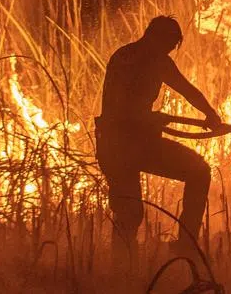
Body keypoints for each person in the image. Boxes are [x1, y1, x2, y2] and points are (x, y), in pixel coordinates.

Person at [95, 16, 222, 256]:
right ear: (153, 36)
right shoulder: (126, 59)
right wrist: (149, 117)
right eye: (169, 44)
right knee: (130, 212)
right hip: (117, 145)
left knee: (199, 171)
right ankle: (120, 269)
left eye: (173, 46)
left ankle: (185, 245)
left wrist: (210, 114)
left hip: (141, 142)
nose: (170, 50)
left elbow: (186, 89)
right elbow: (117, 107)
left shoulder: (159, 61)